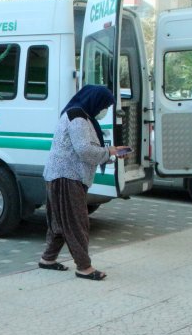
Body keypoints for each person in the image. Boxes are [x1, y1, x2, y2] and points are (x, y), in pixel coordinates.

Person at [39, 85, 130, 281]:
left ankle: (48, 259)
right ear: (95, 101)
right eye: (104, 105)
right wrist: (110, 152)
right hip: (67, 177)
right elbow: (85, 151)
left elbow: (88, 149)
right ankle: (84, 267)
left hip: (61, 175)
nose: (103, 110)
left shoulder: (81, 115)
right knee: (76, 222)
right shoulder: (78, 118)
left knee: (59, 222)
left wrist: (110, 154)